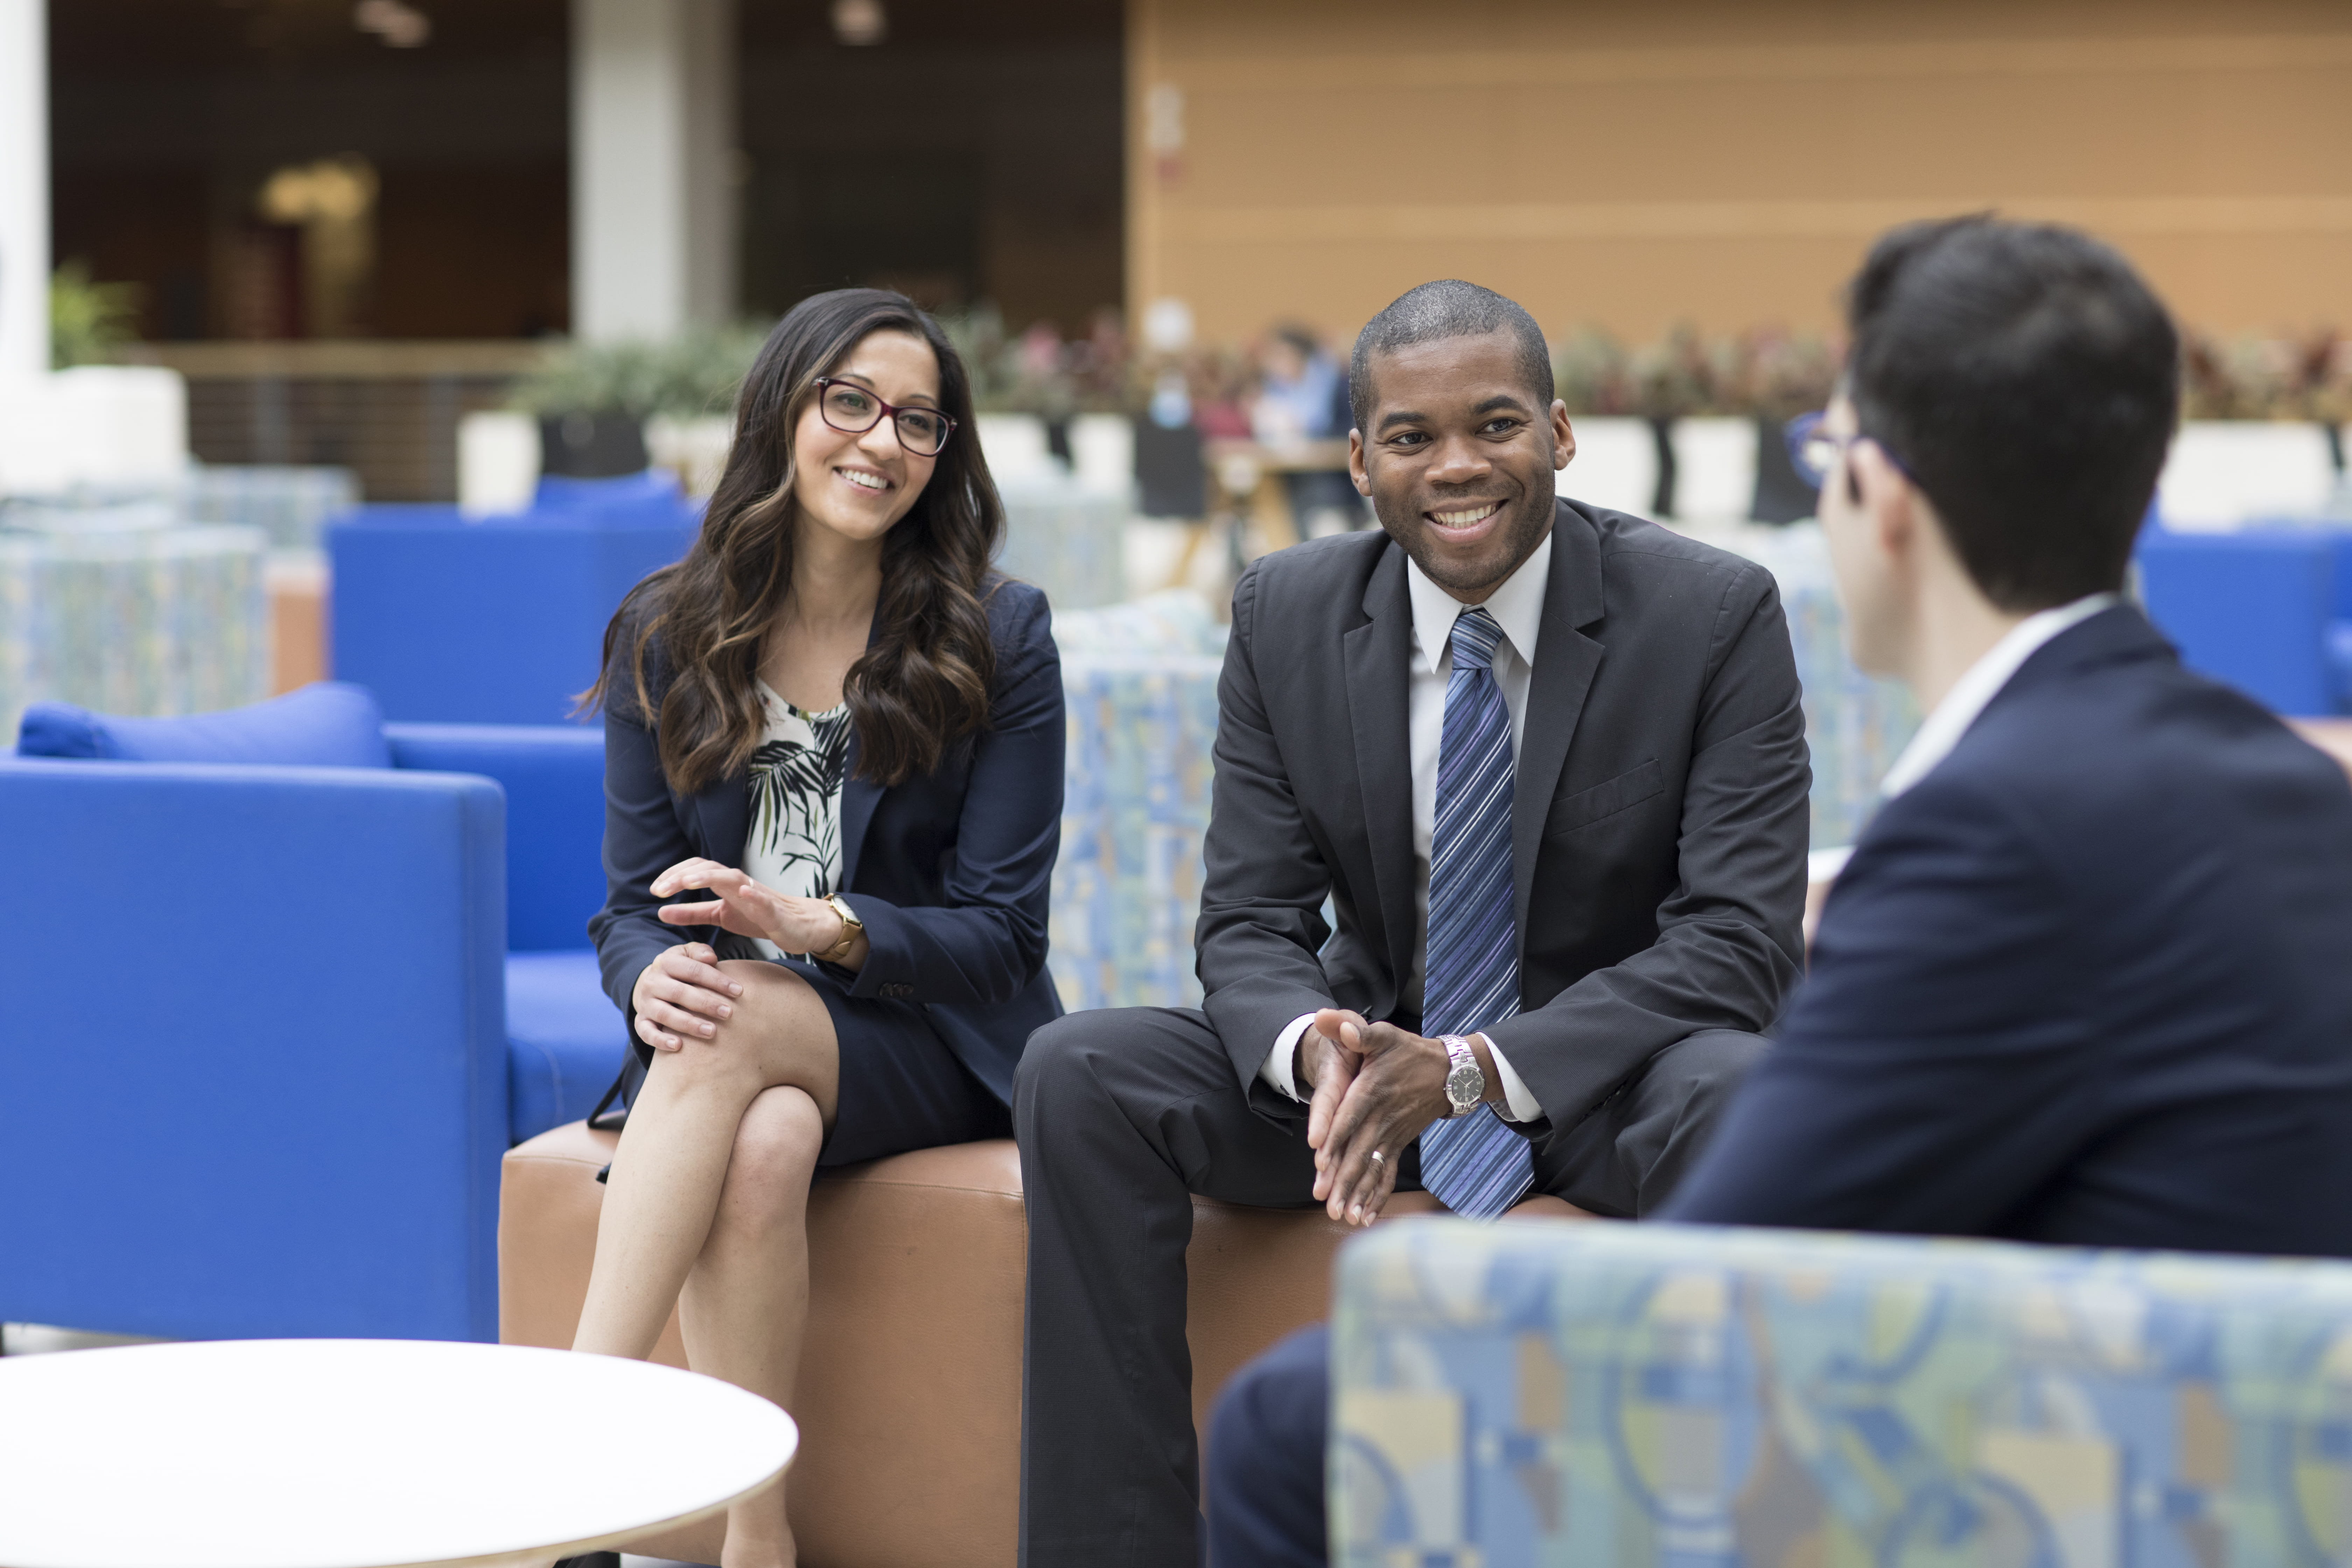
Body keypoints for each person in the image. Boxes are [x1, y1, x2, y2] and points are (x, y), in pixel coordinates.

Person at [1206, 218, 2352, 1567]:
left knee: (1289, 1427)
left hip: (2081, 1464)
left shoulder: (1986, 832)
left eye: (1825, 455)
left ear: (1886, 496)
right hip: (2255, 1455)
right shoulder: (2291, 790)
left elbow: (1738, 1263)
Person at [1015, 279, 1813, 1568]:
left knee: (1750, 1096)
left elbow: (1736, 943)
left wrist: (1477, 1074)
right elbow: (1249, 919)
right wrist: (1315, 1049)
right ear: (1359, 461)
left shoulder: (1711, 614)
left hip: (1609, 1082)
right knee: (1082, 1073)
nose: (1456, 467)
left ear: (1558, 433)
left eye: (1493, 426)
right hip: (1368, 1078)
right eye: (1411, 437)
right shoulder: (1285, 613)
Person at [564, 288, 1063, 1568]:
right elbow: (631, 904)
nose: (882, 441)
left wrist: (821, 929)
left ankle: (566, 1457)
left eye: (919, 421)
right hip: (731, 1057)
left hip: (931, 1038)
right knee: (766, 1145)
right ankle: (758, 1536)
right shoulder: (667, 630)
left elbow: (1004, 935)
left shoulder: (998, 636)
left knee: (744, 1018)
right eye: (850, 401)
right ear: (783, 411)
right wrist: (647, 982)